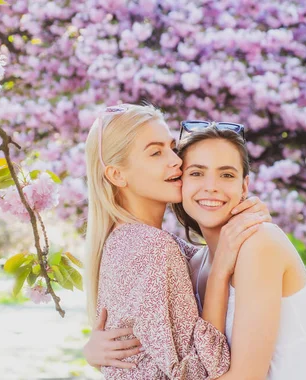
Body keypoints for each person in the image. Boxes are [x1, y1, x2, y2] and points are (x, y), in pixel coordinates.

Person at [93, 120, 306, 379]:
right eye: (196, 173)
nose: (212, 186)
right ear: (180, 180)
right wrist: (96, 354)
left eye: (227, 175)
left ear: (244, 186)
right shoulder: (192, 263)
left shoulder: (260, 245)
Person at [83, 104, 271, 379]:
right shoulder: (151, 247)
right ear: (117, 175)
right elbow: (199, 371)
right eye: (156, 152)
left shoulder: (125, 242)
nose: (176, 161)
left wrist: (243, 211)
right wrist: (220, 271)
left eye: (172, 148)